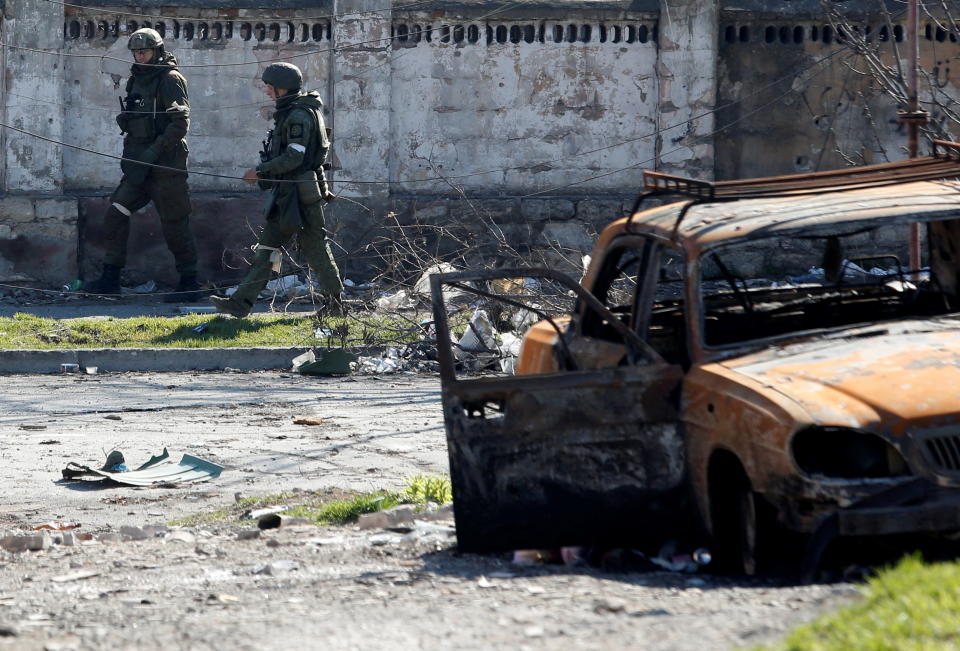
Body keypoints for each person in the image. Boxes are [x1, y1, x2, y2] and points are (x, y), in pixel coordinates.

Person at [210, 62, 343, 318]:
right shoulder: (297, 111)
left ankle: (335, 306)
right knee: (268, 249)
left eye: (270, 87)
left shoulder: (298, 116)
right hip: (288, 194)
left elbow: (296, 158)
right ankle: (241, 303)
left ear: (283, 88)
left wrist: (260, 172)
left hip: (299, 196)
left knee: (315, 249)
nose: (267, 92)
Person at [83, 28, 201, 302]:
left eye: (144, 51)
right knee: (115, 212)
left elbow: (179, 124)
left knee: (174, 224)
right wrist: (128, 120)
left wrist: (154, 151)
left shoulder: (170, 79)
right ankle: (110, 278)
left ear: (157, 51)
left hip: (165, 165)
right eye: (136, 52)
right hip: (137, 165)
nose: (139, 56)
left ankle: (189, 282)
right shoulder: (136, 79)